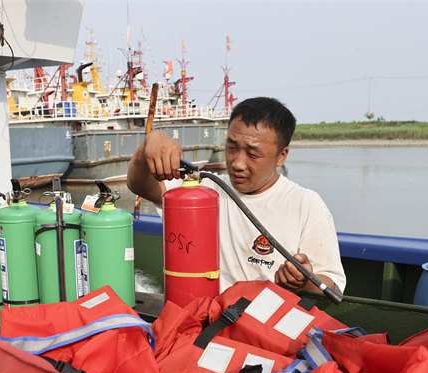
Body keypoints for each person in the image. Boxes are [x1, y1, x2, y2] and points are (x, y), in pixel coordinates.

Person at [127, 96, 346, 294]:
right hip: (206, 322)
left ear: (281, 156)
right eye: (231, 148)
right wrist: (151, 141)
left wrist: (303, 281)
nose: (238, 163)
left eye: (253, 153)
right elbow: (139, 184)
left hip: (263, 329)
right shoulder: (204, 190)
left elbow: (332, 284)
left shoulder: (305, 204)